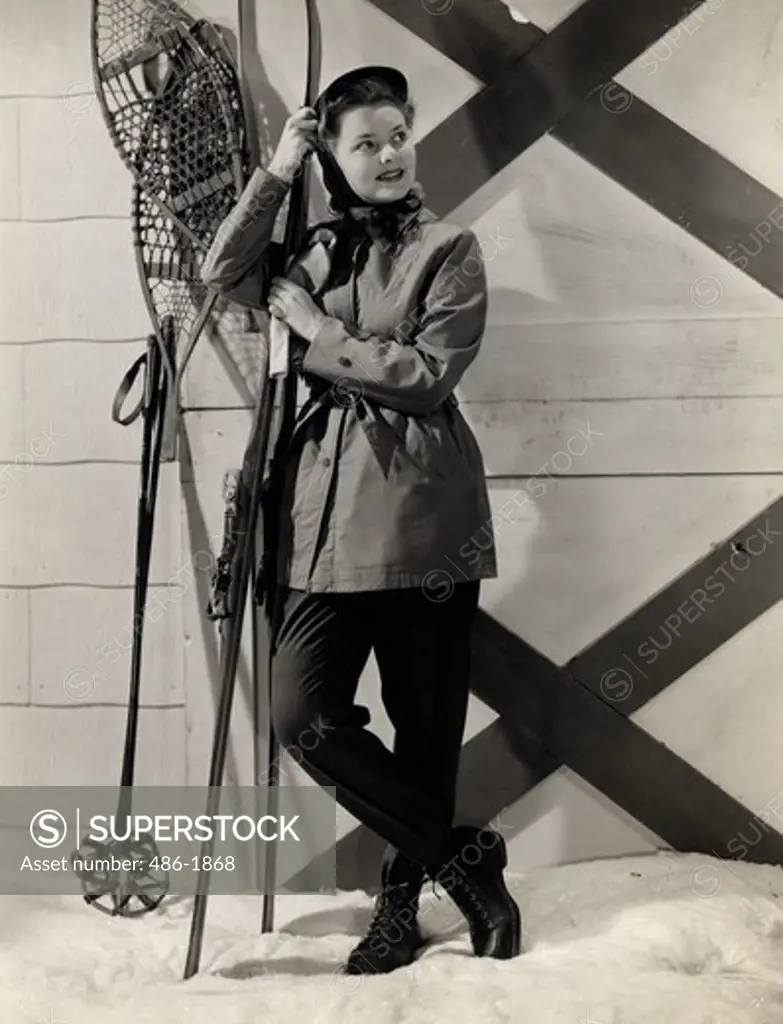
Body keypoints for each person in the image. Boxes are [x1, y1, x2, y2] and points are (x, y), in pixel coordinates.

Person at [201, 65, 521, 975]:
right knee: (302, 715)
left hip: (422, 521)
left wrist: (313, 334)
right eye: (362, 144)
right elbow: (222, 272)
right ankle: (466, 862)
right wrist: (274, 170)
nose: (386, 155)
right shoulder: (311, 248)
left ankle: (395, 910)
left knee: (425, 731)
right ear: (332, 159)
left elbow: (427, 377)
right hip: (315, 525)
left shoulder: (450, 248)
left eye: (396, 136)